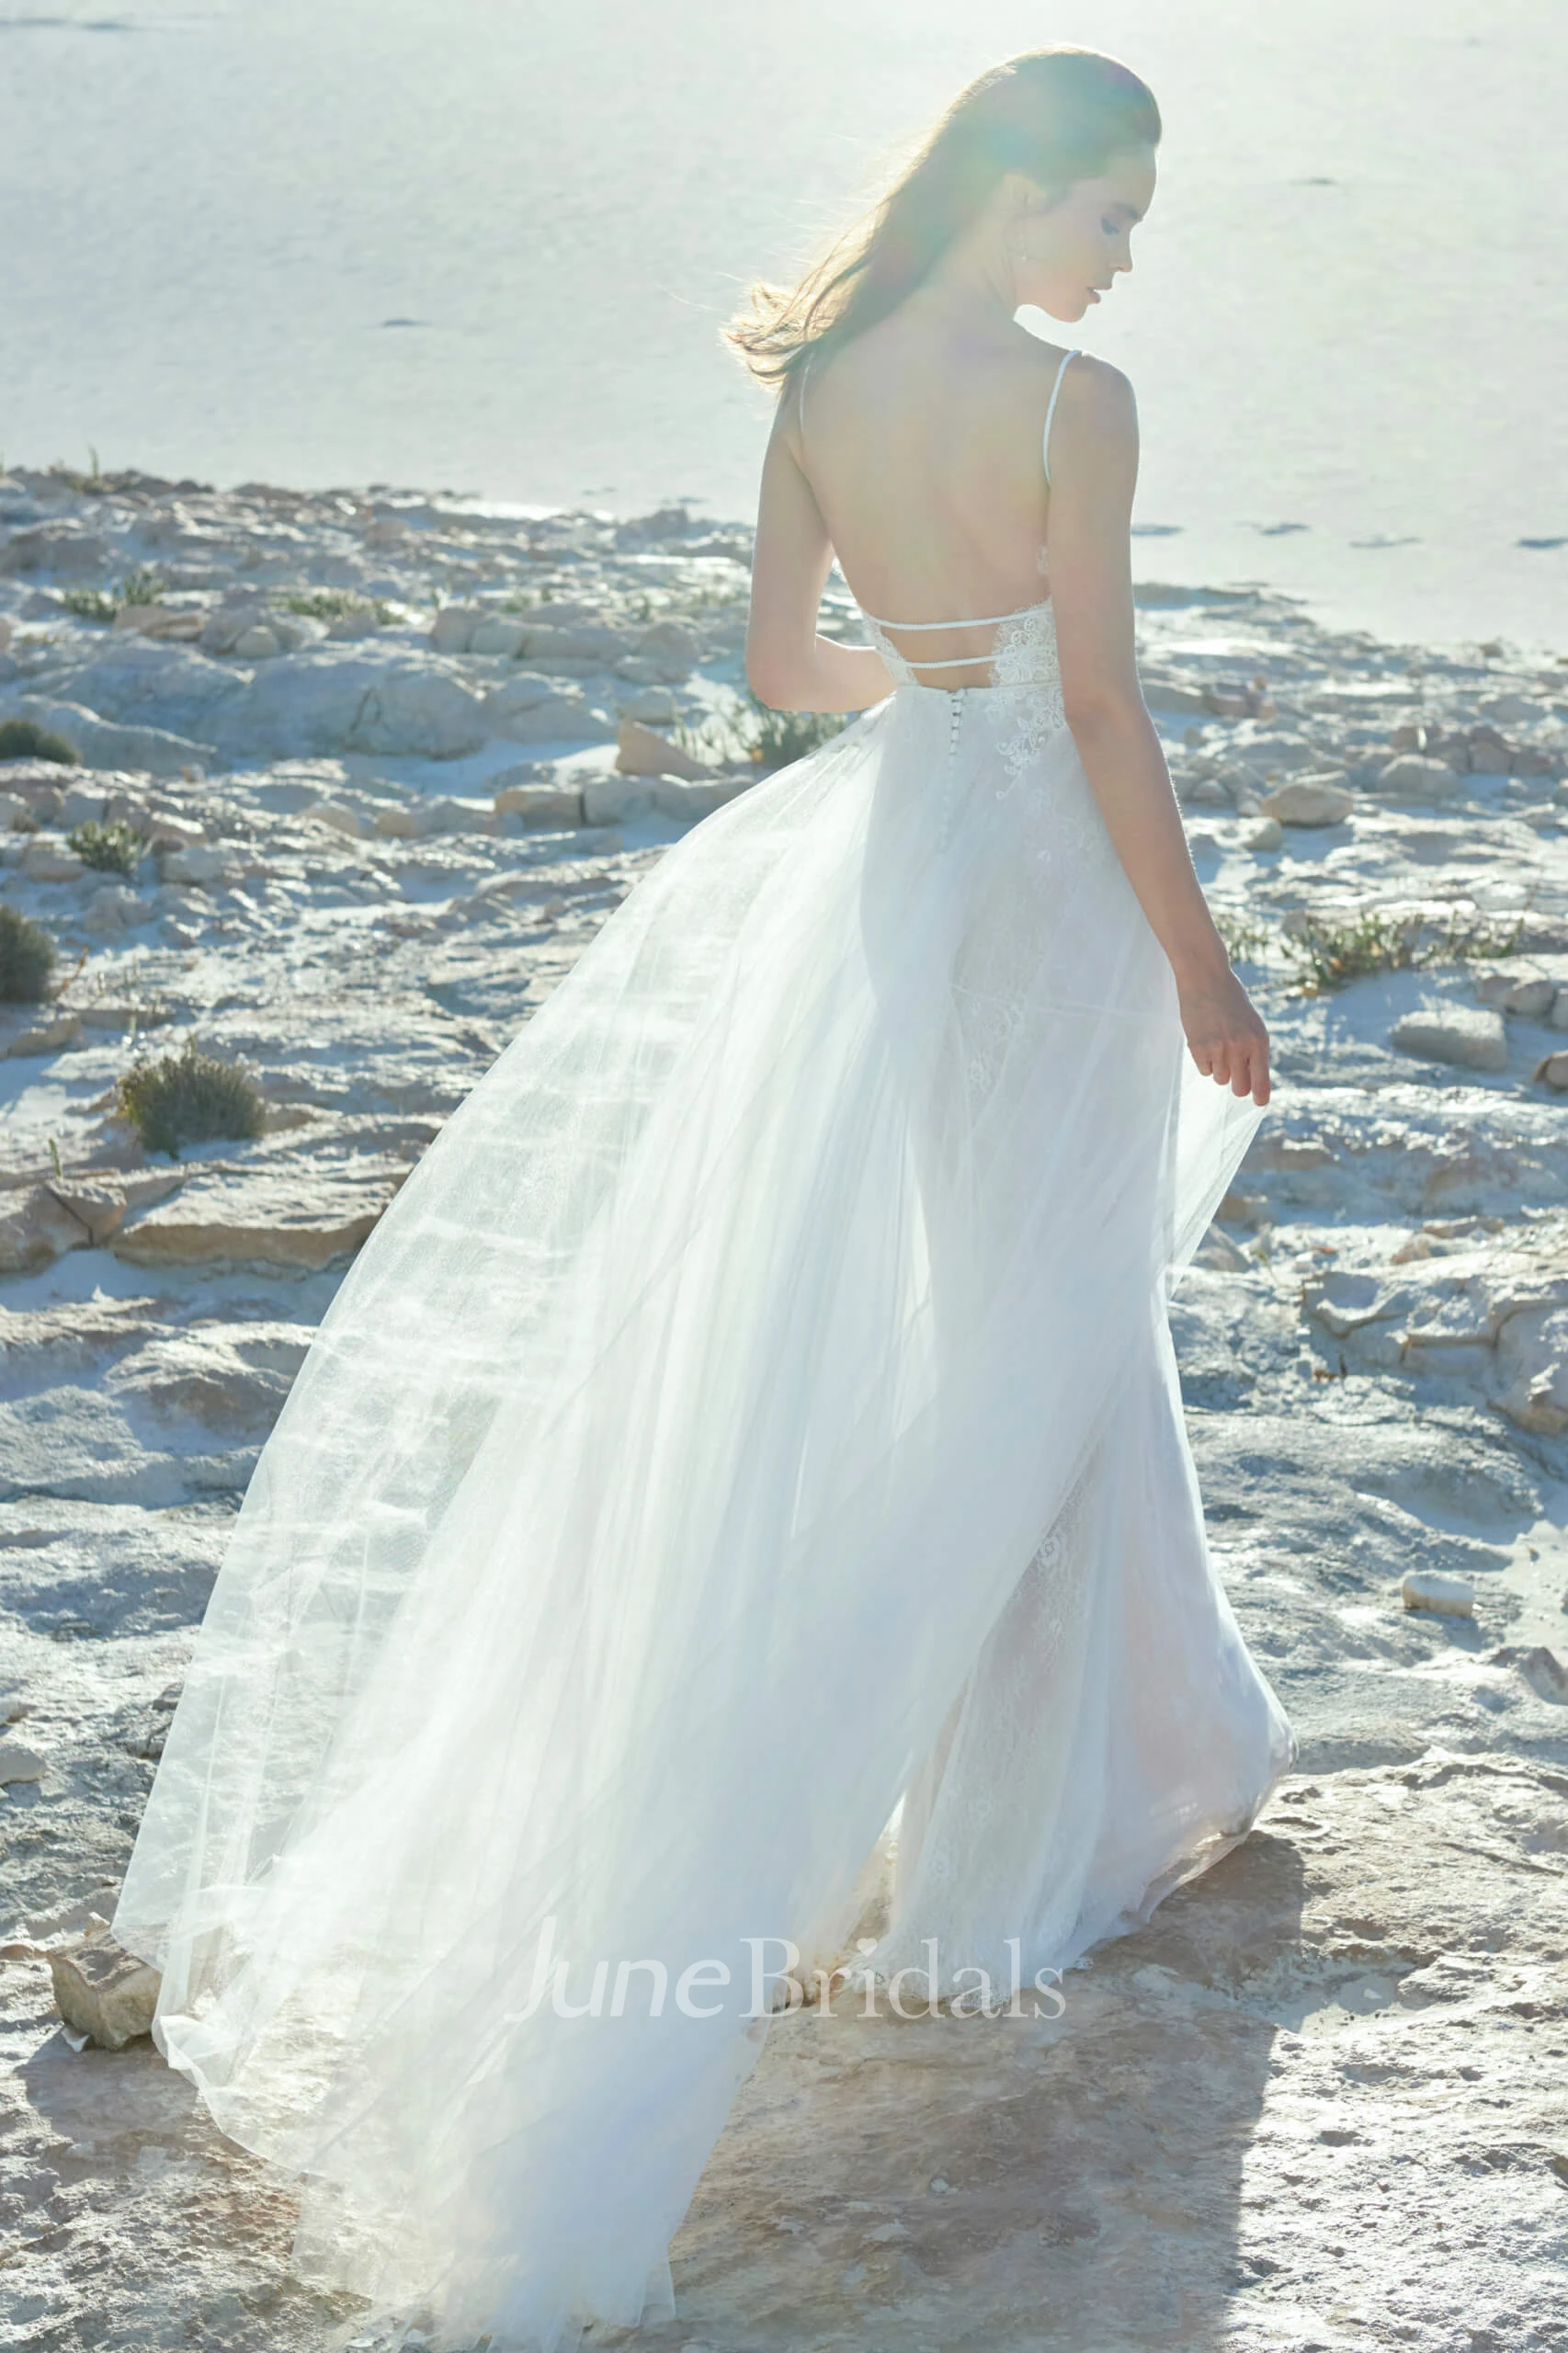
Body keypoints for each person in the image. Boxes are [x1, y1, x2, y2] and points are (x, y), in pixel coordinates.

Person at [113, 43, 1297, 2353]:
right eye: (1114, 208)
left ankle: (1134, 1749)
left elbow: (780, 667)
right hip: (1047, 890)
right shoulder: (1083, 402)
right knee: (1047, 1332)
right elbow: (1105, 717)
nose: (1126, 254)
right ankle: (1007, 1842)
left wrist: (926, 695)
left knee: (1019, 1317)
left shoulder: (826, 376)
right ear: (1024, 189)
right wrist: (1196, 946)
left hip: (894, 865)